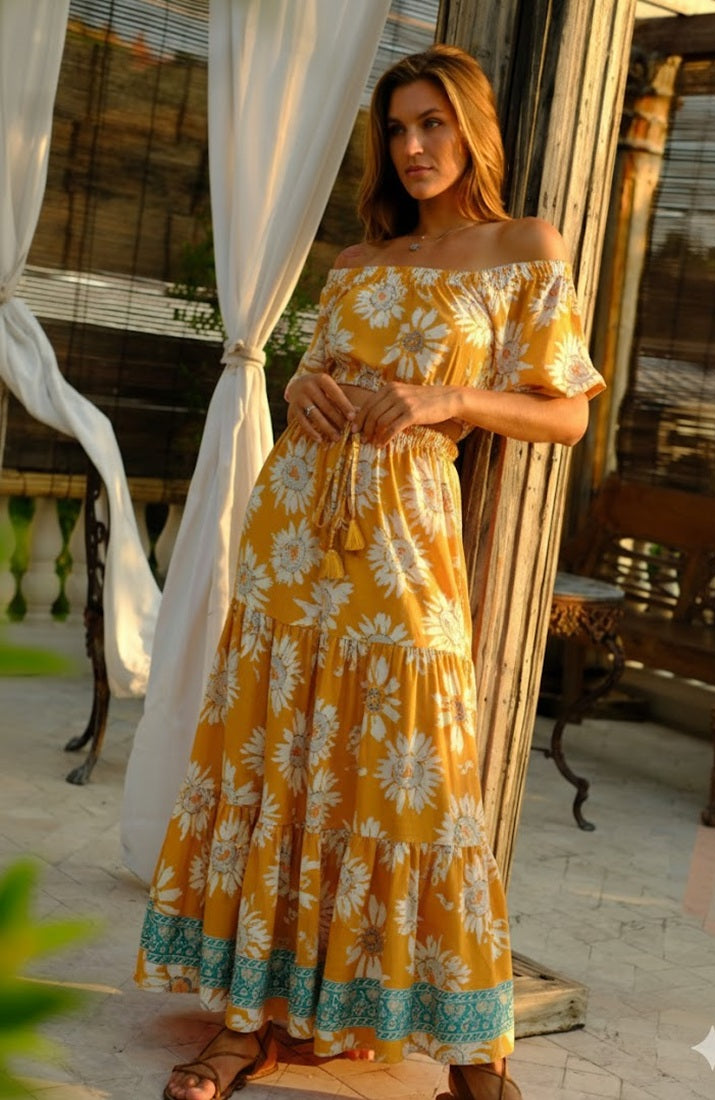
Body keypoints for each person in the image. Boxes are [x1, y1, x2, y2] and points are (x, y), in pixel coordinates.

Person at [135, 43, 604, 1100]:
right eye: (397, 129)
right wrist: (299, 385)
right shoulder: (358, 261)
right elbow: (322, 371)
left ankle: (475, 1060)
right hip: (296, 533)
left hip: (405, 536)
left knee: (421, 776)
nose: (413, 146)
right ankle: (244, 1024)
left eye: (432, 123)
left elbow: (568, 413)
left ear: (471, 129)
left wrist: (452, 399)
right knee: (281, 762)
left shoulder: (524, 246)